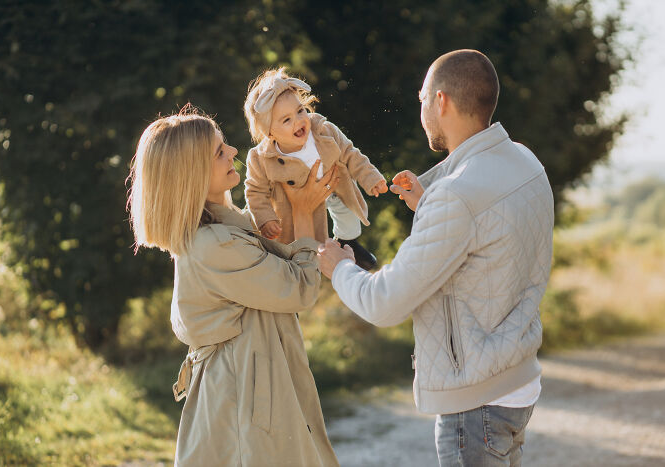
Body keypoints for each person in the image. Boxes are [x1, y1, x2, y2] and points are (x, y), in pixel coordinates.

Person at [318, 49, 554, 466]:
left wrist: (339, 268)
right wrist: (429, 204)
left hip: (476, 406)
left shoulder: (458, 197)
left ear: (441, 101)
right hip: (517, 386)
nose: (421, 107)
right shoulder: (525, 161)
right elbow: (492, 239)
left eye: (422, 97)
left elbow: (384, 302)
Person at [127, 106, 340, 466]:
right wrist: (303, 212)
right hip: (246, 407)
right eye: (218, 151)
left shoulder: (227, 229)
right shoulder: (216, 245)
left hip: (247, 395)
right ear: (191, 173)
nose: (233, 153)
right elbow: (299, 289)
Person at [243, 67, 387, 270]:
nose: (299, 121)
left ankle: (348, 242)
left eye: (300, 110)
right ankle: (313, 264)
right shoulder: (261, 158)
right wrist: (266, 219)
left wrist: (371, 178)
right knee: (309, 242)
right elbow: (255, 192)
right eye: (287, 120)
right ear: (269, 132)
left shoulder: (323, 130)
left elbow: (350, 153)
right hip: (297, 208)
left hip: (335, 189)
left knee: (349, 217)